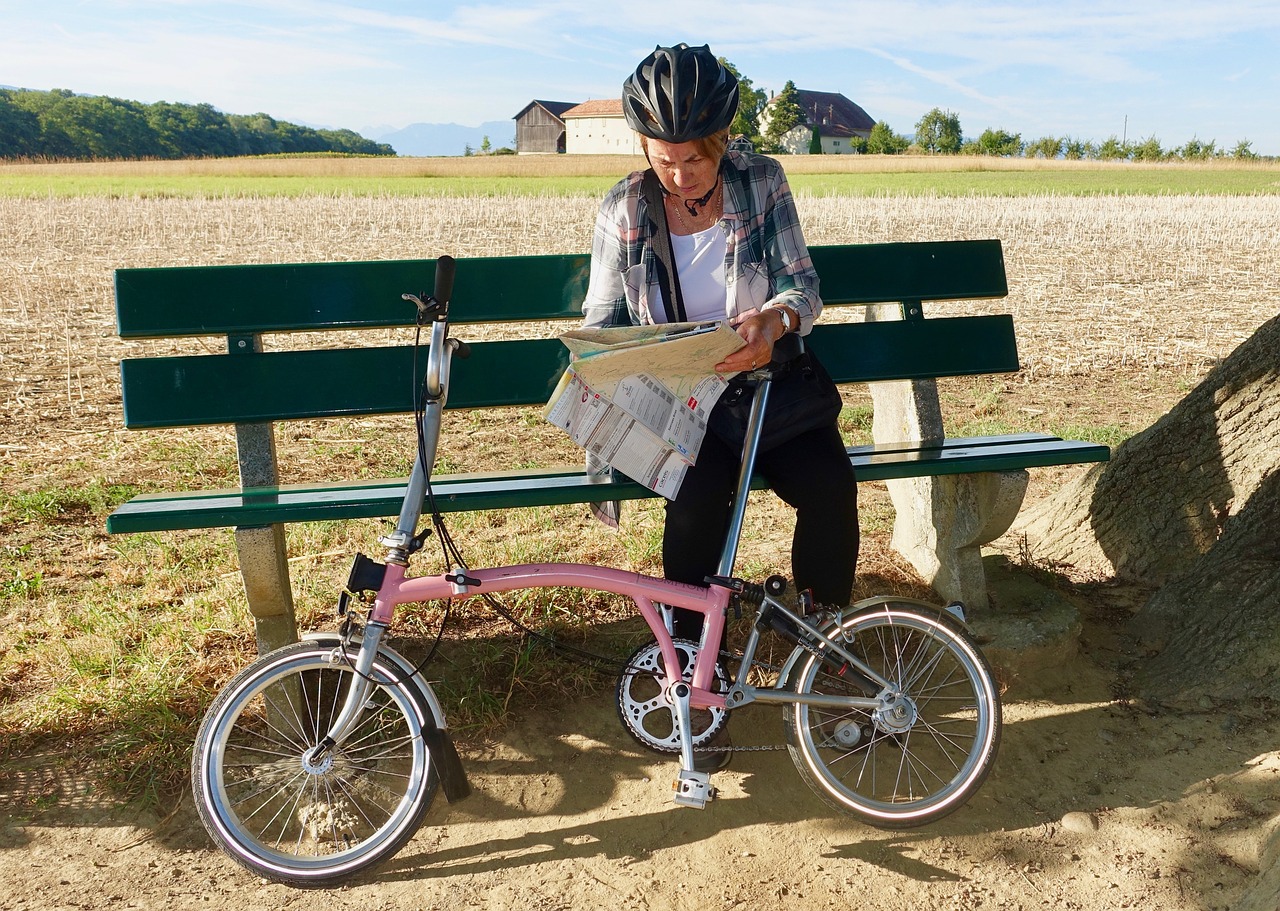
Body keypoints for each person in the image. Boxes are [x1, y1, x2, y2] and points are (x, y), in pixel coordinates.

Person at [582, 45, 859, 763]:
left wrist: (775, 323)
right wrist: (624, 355)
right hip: (682, 401)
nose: (679, 176)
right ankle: (688, 679)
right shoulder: (624, 207)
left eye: (694, 161)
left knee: (832, 487)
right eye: (663, 160)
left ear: (722, 144)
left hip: (768, 394)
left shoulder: (761, 182)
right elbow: (602, 320)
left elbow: (804, 284)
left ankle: (825, 645)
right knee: (697, 501)